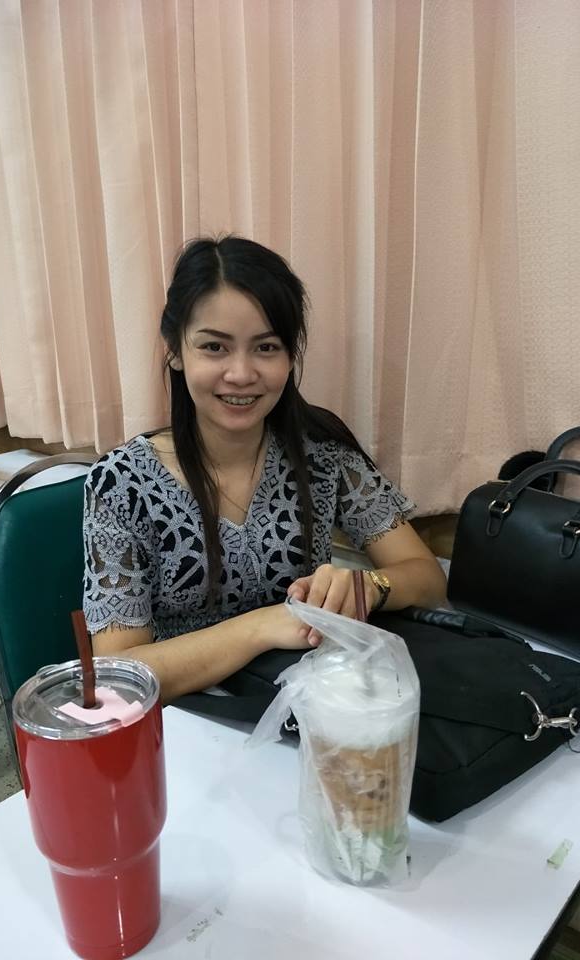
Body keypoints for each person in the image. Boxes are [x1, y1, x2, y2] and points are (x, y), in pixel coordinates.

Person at [83, 236, 446, 703]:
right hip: (185, 719)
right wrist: (262, 627)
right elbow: (119, 673)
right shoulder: (122, 484)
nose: (241, 374)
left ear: (290, 355)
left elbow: (427, 579)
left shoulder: (321, 454)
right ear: (174, 350)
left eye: (266, 347)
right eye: (214, 346)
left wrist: (370, 587)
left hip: (306, 704)